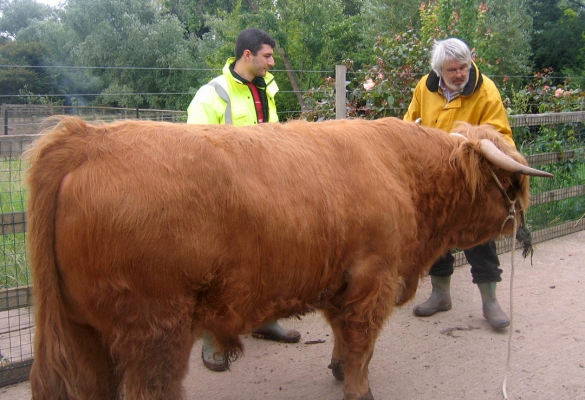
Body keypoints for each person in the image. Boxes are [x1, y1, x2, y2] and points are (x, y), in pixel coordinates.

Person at [186, 28, 301, 372]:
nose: (272, 62)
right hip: (225, 203)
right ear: (247, 56)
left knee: (267, 262)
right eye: (267, 56)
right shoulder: (212, 94)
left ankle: (264, 321)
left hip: (266, 195)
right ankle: (214, 338)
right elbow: (194, 149)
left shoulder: (266, 90)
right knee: (220, 271)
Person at [403, 38, 515, 330]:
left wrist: (470, 142)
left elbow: (500, 133)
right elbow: (408, 123)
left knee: (480, 241)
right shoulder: (424, 89)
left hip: (472, 182)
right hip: (433, 181)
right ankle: (440, 294)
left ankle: (490, 301)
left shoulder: (485, 89)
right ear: (439, 70)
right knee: (435, 240)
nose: (459, 74)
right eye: (452, 70)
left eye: (463, 67)